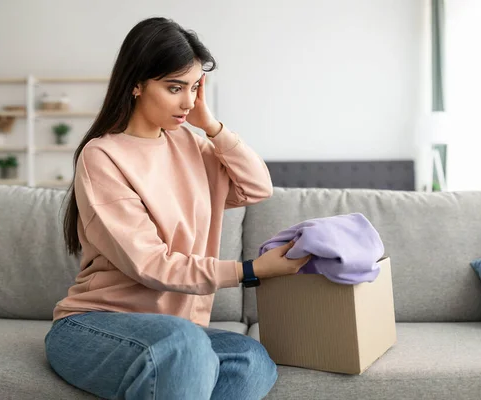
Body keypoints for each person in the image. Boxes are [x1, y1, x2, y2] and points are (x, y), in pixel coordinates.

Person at [44, 17, 311, 400]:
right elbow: (150, 265)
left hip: (175, 333)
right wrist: (248, 271)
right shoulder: (101, 156)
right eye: (174, 88)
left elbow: (256, 187)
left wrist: (212, 126)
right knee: (184, 342)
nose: (187, 101)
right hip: (97, 326)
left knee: (249, 357)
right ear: (136, 84)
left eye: (193, 88)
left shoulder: (189, 144)